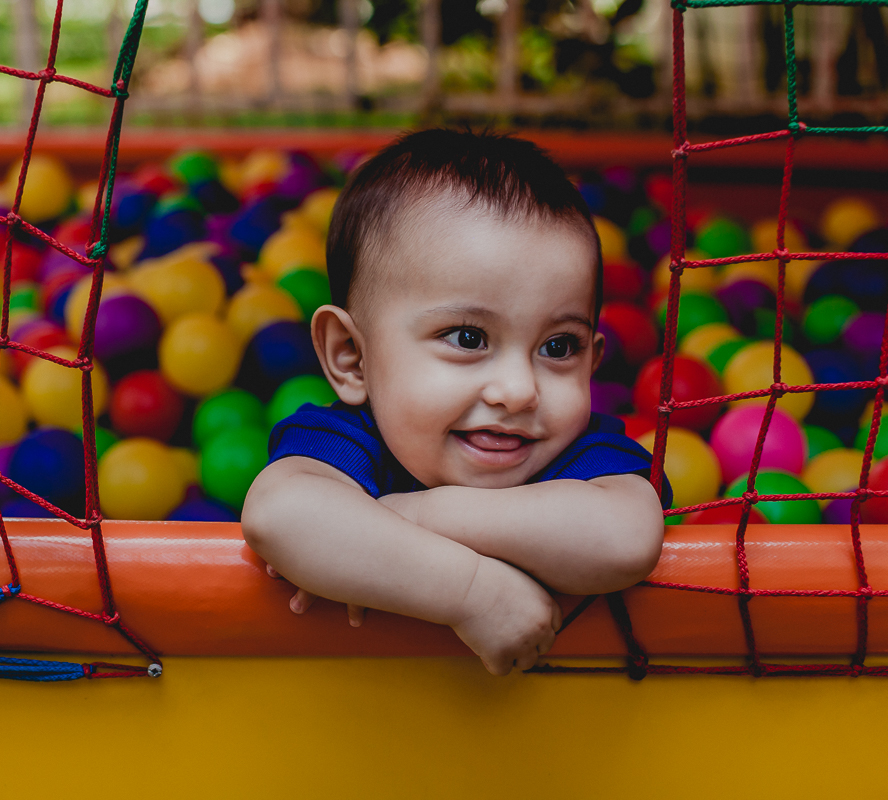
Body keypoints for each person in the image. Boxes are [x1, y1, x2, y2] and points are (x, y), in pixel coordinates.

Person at [241, 129, 670, 676]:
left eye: (558, 347)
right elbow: (280, 514)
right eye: (468, 338)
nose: (518, 391)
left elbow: (625, 538)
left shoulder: (580, 454)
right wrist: (472, 593)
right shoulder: (349, 439)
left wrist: (403, 518)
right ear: (351, 356)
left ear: (593, 358)